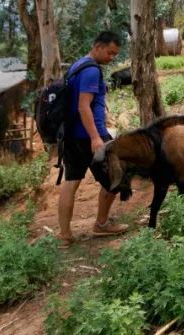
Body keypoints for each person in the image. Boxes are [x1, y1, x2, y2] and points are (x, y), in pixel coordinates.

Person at [57, 30, 128, 247]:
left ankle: (65, 235)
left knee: (71, 183)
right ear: (97, 47)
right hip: (89, 137)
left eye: (115, 54)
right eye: (109, 52)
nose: (112, 58)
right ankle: (102, 224)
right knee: (116, 177)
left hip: (70, 137)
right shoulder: (91, 71)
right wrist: (96, 138)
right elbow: (83, 106)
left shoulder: (76, 66)